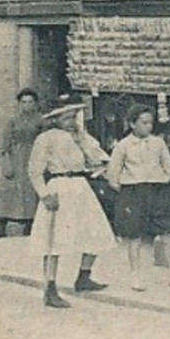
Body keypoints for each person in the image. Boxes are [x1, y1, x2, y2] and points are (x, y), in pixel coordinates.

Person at [26, 97, 114, 308]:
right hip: (59, 187)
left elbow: (97, 158)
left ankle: (84, 276)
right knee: (55, 240)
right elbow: (34, 170)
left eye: (74, 116)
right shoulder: (46, 138)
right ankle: (50, 288)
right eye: (66, 117)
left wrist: (87, 147)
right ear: (55, 119)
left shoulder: (81, 137)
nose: (71, 120)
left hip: (80, 186)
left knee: (96, 231)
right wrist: (45, 194)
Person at [106, 104, 170, 291]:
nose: (148, 126)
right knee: (134, 234)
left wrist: (161, 182)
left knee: (167, 232)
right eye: (143, 123)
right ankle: (135, 275)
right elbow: (113, 175)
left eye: (150, 123)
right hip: (133, 192)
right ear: (132, 124)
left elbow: (169, 167)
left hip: (157, 191)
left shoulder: (158, 143)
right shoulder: (123, 146)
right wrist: (130, 189)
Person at [0, 88, 43, 237]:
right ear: (19, 104)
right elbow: (5, 144)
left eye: (30, 102)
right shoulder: (13, 121)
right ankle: (2, 227)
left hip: (33, 157)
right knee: (8, 190)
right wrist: (7, 163)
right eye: (24, 102)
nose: (27, 105)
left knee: (30, 191)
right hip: (15, 158)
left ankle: (29, 226)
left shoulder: (41, 120)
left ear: (35, 104)